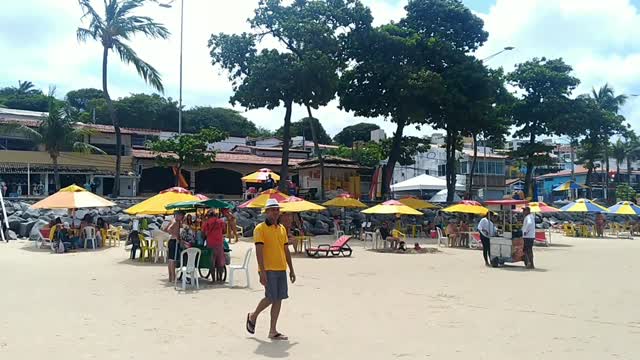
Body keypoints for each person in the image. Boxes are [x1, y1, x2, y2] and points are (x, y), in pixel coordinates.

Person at [246, 199, 296, 341]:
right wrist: (262, 271)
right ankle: (253, 315)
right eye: (272, 210)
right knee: (270, 297)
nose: (275, 212)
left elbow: (286, 250)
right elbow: (259, 251)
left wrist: (291, 269)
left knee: (279, 298)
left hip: (281, 268)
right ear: (266, 212)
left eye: (277, 210)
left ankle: (273, 330)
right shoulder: (260, 229)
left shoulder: (281, 229)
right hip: (268, 269)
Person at [202, 210, 228, 283]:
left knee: (211, 262)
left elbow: (203, 234)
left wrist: (204, 239)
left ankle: (213, 280)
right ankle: (219, 279)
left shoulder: (206, 223)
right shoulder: (220, 222)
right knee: (220, 262)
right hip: (219, 244)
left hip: (210, 244)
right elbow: (224, 231)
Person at [164, 211, 185, 283]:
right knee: (173, 260)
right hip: (174, 242)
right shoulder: (175, 221)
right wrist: (175, 236)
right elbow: (168, 229)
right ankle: (173, 278)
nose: (182, 217)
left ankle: (171, 277)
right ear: (179, 215)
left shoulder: (174, 221)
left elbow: (165, 229)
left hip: (171, 241)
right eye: (182, 216)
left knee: (170, 260)